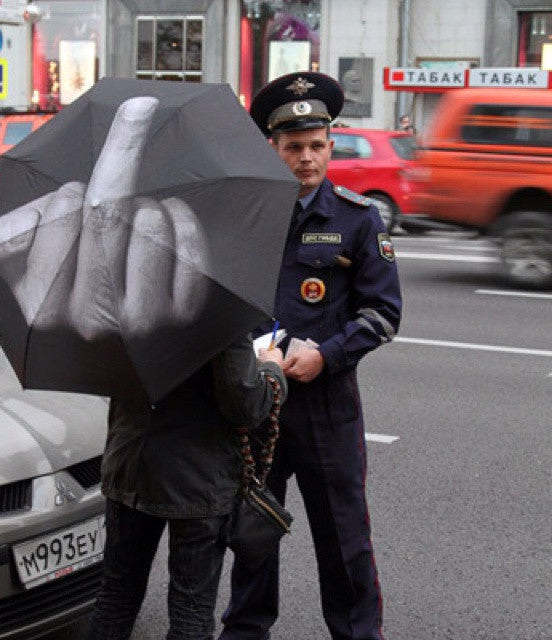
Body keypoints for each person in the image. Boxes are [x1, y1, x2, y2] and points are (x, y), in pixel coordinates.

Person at [219, 72, 402, 640]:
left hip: (326, 406)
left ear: (330, 144)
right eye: (293, 147)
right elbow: (221, 300)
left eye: (316, 146)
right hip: (258, 401)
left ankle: (356, 633)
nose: (306, 159)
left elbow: (382, 314)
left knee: (343, 537)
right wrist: (251, 352)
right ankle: (247, 629)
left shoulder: (356, 219)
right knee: (251, 530)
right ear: (272, 148)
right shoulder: (245, 217)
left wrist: (327, 354)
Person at [87, 337, 287, 640]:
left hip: (131, 460)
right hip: (198, 476)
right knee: (191, 611)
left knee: (116, 596)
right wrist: (272, 370)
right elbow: (245, 407)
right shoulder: (221, 308)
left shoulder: (121, 300)